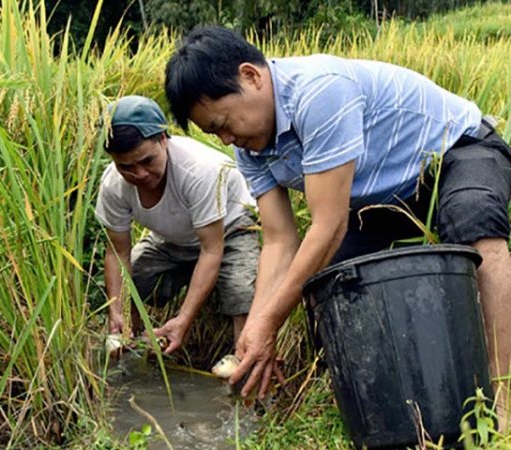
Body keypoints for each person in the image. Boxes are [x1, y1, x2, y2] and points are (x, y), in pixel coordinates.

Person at [164, 25, 511, 414]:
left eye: (223, 123)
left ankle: (501, 395)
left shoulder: (319, 92)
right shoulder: (250, 149)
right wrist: (255, 328)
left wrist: (270, 322)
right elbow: (279, 241)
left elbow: (328, 226)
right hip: (384, 196)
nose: (226, 140)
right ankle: (381, 399)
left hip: (456, 152)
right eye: (215, 133)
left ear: (251, 76)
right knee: (330, 284)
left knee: (474, 223)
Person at [95, 95, 260, 354]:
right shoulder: (113, 184)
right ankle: (132, 344)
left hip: (229, 230)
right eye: (126, 166)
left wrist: (183, 320)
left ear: (163, 140)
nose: (139, 174)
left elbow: (211, 250)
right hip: (172, 238)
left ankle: (244, 360)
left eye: (147, 161)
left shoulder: (200, 171)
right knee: (133, 283)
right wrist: (118, 309)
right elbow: (118, 254)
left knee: (241, 291)